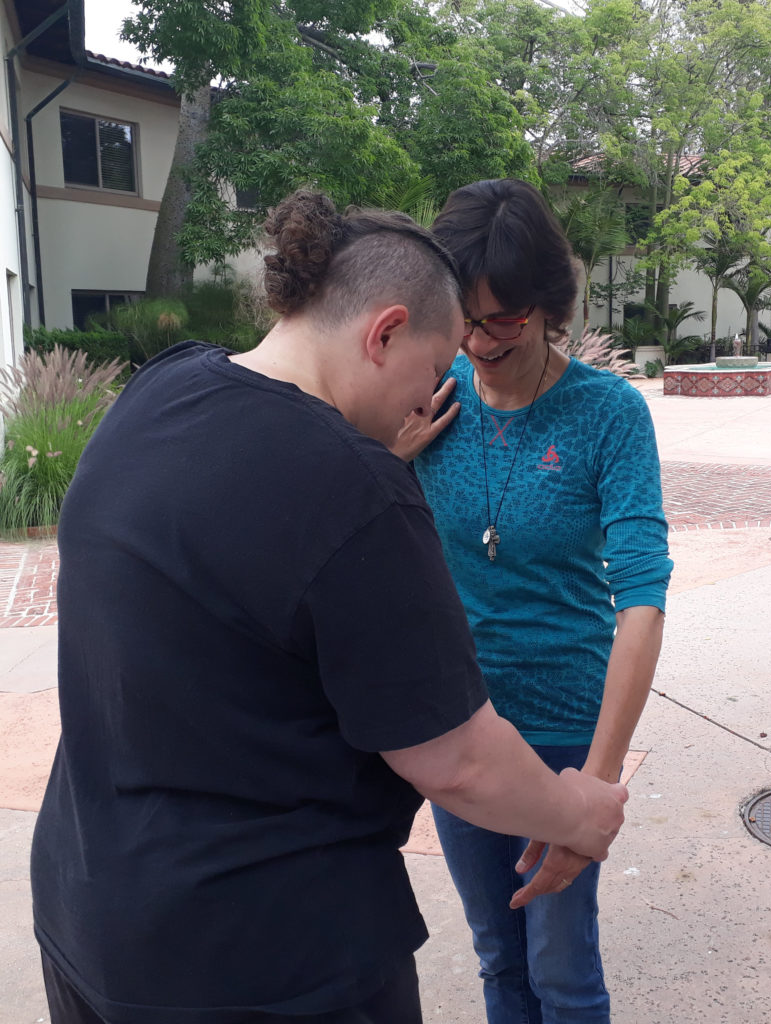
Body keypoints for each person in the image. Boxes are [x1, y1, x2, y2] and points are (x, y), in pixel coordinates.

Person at [30, 189, 628, 1024]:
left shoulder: (159, 392)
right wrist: (582, 812)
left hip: (89, 909)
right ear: (383, 333)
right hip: (267, 957)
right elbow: (454, 759)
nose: (429, 404)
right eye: (431, 372)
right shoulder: (356, 490)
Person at [394, 178, 673, 1024]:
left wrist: (595, 783)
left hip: (561, 728)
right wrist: (385, 453)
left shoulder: (608, 415)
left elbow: (643, 598)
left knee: (562, 970)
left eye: (503, 320)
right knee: (496, 958)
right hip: (461, 726)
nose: (478, 343)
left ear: (549, 306)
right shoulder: (427, 397)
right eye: (463, 319)